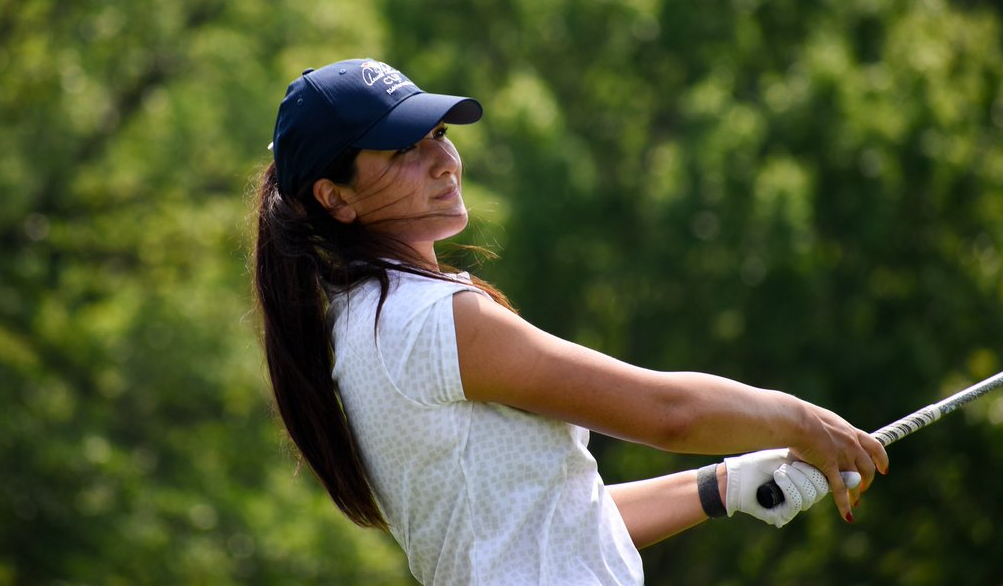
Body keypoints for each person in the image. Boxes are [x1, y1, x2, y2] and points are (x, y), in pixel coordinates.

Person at [253, 58, 888, 585]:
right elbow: (669, 413)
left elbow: (549, 529)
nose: (444, 160)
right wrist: (801, 421)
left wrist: (722, 485)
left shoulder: (365, 319)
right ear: (335, 198)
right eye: (403, 151)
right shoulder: (429, 317)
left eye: (440, 134)